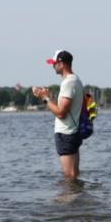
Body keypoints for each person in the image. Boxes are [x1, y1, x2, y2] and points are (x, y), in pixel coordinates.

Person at [32, 50, 85, 179]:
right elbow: (62, 108)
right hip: (72, 132)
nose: (53, 66)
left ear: (62, 64)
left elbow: (61, 113)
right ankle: (76, 198)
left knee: (69, 176)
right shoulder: (74, 80)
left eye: (54, 63)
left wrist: (44, 98)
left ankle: (69, 198)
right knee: (73, 175)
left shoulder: (69, 82)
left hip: (67, 134)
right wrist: (47, 97)